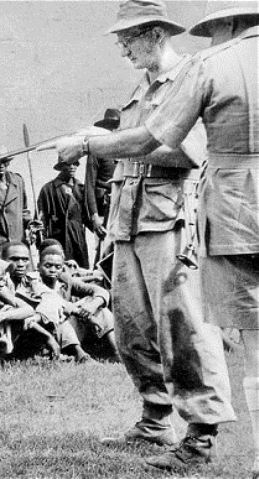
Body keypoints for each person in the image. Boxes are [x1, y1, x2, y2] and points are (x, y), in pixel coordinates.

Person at [53, 0, 242, 471]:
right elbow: (135, 143)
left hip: (170, 220)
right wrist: (103, 138)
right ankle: (155, 419)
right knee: (131, 327)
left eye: (127, 38)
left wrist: (102, 145)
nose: (121, 49)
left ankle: (201, 435)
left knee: (184, 328)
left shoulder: (192, 78)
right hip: (129, 221)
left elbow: (189, 153)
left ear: (155, 33)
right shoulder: (143, 88)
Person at [36, 246, 118, 361]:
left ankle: (116, 352)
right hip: (49, 334)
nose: (53, 270)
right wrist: (81, 312)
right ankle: (82, 357)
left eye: (57, 267)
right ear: (38, 267)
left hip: (71, 332)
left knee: (98, 307)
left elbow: (101, 291)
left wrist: (91, 307)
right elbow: (56, 303)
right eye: (48, 266)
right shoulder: (34, 283)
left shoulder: (64, 280)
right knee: (60, 316)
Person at [2, 242, 81, 361]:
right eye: (15, 259)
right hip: (6, 335)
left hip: (28, 329)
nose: (21, 264)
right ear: (3, 260)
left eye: (25, 260)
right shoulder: (0, 282)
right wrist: (48, 336)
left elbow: (50, 297)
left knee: (52, 309)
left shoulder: (29, 280)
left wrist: (76, 310)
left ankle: (79, 354)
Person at [38, 156, 91, 268]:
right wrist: (42, 244)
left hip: (78, 236)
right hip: (59, 237)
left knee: (81, 269)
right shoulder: (49, 189)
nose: (72, 167)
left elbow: (88, 217)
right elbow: (41, 219)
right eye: (68, 164)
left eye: (75, 163)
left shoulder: (81, 188)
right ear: (61, 167)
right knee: (60, 269)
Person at [84, 109, 120, 242]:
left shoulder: (126, 151)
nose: (113, 131)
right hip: (102, 211)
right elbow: (89, 185)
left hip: (121, 209)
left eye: (116, 127)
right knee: (102, 251)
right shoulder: (96, 151)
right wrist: (95, 217)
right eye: (110, 127)